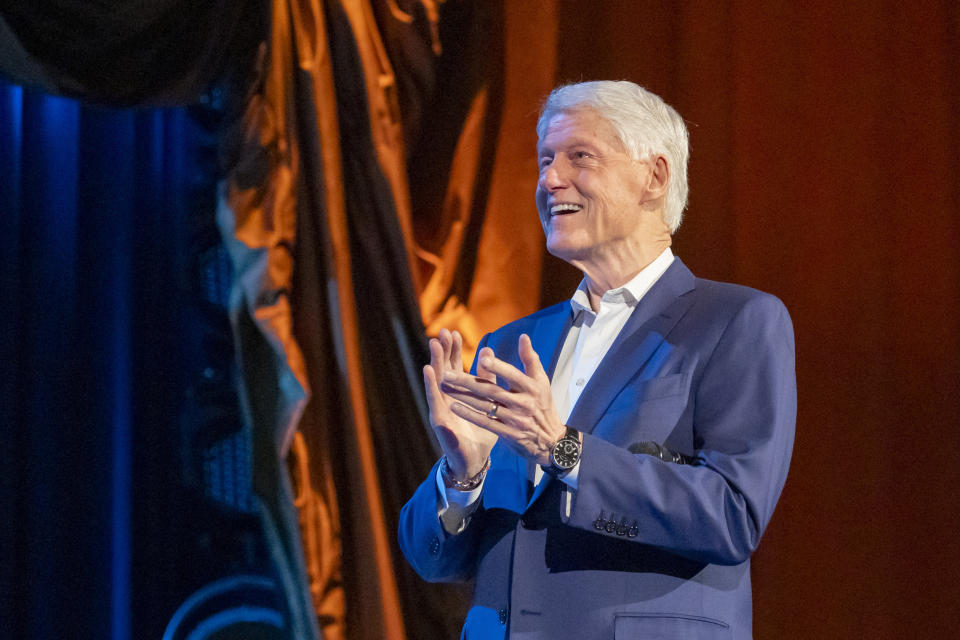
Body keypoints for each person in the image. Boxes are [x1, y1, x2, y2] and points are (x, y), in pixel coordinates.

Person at [398, 80, 796, 640]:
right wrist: (463, 475)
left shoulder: (734, 322)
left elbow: (731, 515)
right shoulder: (513, 345)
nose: (549, 179)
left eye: (579, 156)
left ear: (654, 177)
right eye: (544, 160)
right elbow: (432, 558)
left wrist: (561, 449)